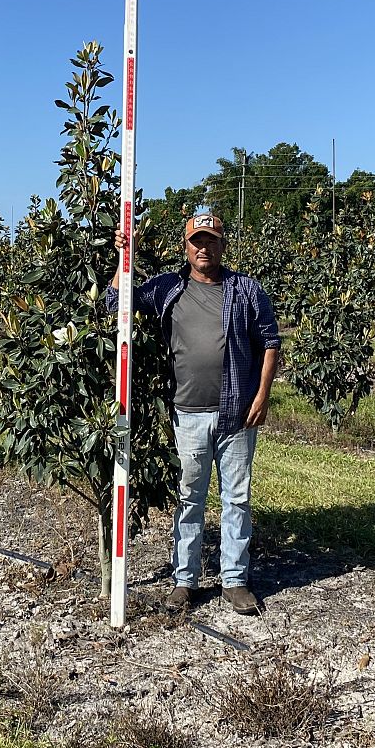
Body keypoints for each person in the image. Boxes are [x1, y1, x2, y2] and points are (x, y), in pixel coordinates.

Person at [107, 212, 280, 614]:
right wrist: (123, 257)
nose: (204, 248)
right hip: (186, 414)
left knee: (236, 499)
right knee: (190, 499)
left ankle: (235, 580)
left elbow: (271, 341)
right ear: (186, 247)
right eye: (196, 241)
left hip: (237, 414)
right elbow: (117, 303)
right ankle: (185, 580)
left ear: (223, 244)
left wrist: (262, 394)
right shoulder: (169, 287)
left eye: (212, 240)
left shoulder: (246, 289)